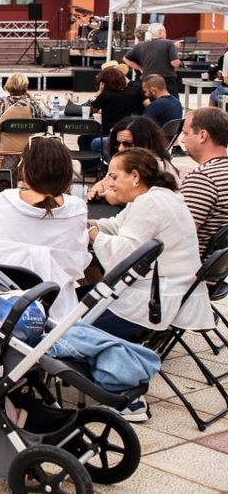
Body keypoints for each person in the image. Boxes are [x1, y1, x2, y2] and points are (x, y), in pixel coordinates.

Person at [89, 148, 211, 344]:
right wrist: (92, 224)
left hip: (154, 301)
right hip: (171, 292)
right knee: (82, 299)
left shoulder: (150, 202)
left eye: (113, 177)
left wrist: (91, 233)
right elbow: (118, 225)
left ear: (135, 175)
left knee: (70, 320)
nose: (108, 183)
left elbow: (125, 253)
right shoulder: (158, 195)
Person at [0, 138, 91, 316]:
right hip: (56, 308)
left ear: (26, 169)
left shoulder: (5, 199)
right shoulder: (77, 208)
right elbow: (77, 264)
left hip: (0, 302)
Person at [87, 116, 178, 204]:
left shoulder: (156, 166)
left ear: (145, 143)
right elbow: (104, 182)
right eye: (117, 143)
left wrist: (106, 193)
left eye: (128, 144)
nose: (120, 149)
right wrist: (95, 191)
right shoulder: (125, 161)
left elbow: (118, 198)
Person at [179, 107, 228, 257]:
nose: (182, 139)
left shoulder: (203, 179)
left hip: (190, 273)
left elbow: (178, 236)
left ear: (202, 135)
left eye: (186, 133)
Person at [89, 64, 145, 154]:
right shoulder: (133, 92)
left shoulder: (106, 94)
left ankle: (92, 166)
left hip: (110, 132)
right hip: (130, 131)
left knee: (84, 139)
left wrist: (99, 92)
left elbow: (92, 109)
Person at [125, 23, 180, 95]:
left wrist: (140, 68)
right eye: (165, 32)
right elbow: (175, 63)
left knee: (149, 103)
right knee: (171, 103)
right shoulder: (168, 43)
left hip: (147, 80)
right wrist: (175, 50)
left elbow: (125, 58)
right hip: (166, 80)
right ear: (160, 33)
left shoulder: (141, 46)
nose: (166, 34)